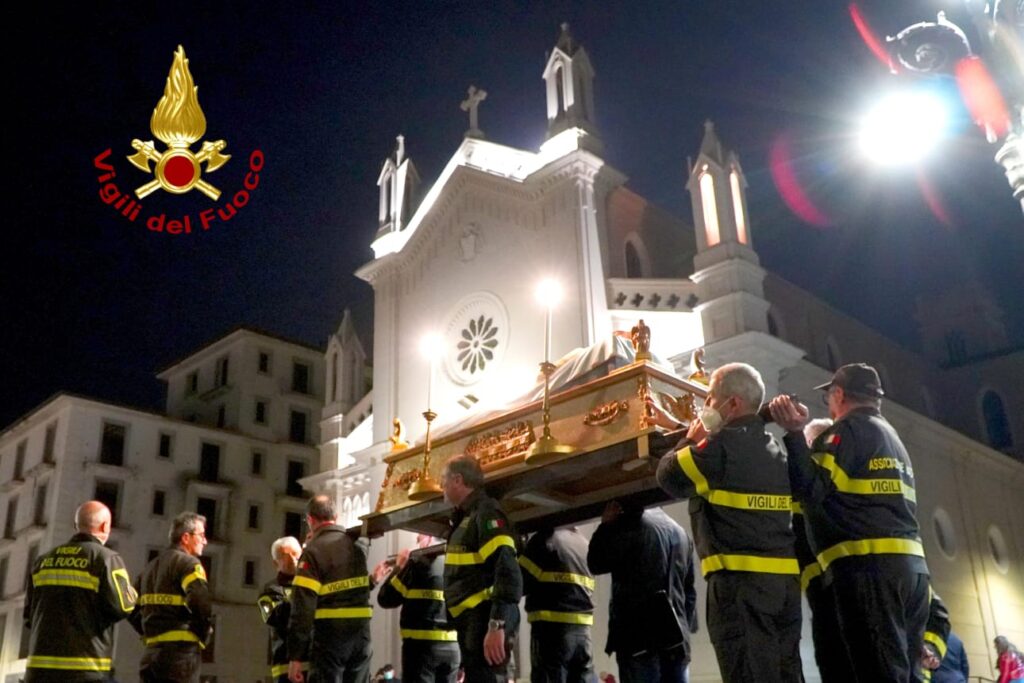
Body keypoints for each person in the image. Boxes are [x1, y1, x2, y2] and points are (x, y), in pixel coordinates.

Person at [770, 363, 930, 683]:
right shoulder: (889, 436)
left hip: (869, 571)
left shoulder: (844, 433)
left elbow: (810, 490)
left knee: (878, 673)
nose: (829, 405)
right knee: (907, 673)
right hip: (911, 572)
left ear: (840, 394)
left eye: (830, 396)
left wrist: (793, 433)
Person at [655, 362, 802, 683]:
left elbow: (668, 475)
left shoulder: (718, 449)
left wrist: (690, 440)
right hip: (785, 591)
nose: (706, 407)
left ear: (732, 403)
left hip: (740, 591)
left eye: (709, 398)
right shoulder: (774, 450)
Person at [23, 500, 137, 682]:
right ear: (105, 525)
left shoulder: (42, 561)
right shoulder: (106, 558)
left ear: (76, 526)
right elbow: (123, 606)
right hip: (85, 670)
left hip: (39, 672)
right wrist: (132, 592)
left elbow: (29, 616)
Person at [587, 501, 697, 683]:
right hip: (678, 642)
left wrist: (606, 525)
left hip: (640, 639)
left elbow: (596, 562)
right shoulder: (681, 533)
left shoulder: (632, 524)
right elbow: (689, 594)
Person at [440, 455, 522, 683]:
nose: (441, 487)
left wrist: (497, 624)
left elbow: (507, 569)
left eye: (443, 480)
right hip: (472, 623)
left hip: (486, 619)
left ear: (457, 480)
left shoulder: (486, 512)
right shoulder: (466, 516)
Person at [287, 494, 373, 683]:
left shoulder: (313, 552)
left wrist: (296, 656)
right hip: (361, 637)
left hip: (330, 639)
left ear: (310, 520)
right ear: (336, 516)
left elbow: (303, 608)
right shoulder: (357, 546)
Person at [797, 419, 853, 683]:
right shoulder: (849, 473)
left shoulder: (809, 480)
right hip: (852, 581)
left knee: (835, 662)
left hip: (825, 585)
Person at [131, 511, 213, 683]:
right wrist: (202, 633)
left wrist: (147, 631)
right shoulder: (188, 564)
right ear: (185, 537)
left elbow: (129, 607)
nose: (205, 541)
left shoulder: (150, 568)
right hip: (180, 656)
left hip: (151, 655)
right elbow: (200, 601)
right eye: (202, 535)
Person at [375, 534, 460, 683]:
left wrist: (399, 567)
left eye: (418, 540)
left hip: (420, 651)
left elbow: (386, 598)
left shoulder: (416, 564)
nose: (417, 544)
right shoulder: (455, 564)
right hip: (453, 650)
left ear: (427, 537)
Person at [519, 526, 596, 683]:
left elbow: (519, 584)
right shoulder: (584, 544)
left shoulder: (545, 540)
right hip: (583, 634)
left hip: (551, 633)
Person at [259, 536, 304, 682]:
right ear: (275, 563)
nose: (293, 559)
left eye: (295, 553)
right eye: (286, 555)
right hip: (285, 663)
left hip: (314, 660)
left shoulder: (312, 583)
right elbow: (276, 618)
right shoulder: (270, 589)